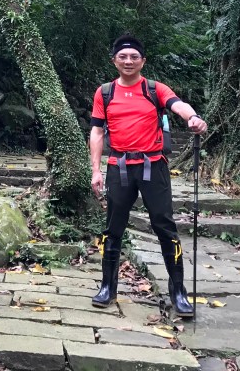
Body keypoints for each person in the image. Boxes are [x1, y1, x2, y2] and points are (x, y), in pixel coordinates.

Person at [88, 34, 206, 318]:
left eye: (134, 57)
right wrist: (95, 170)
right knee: (113, 228)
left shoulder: (155, 89)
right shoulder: (105, 92)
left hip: (153, 165)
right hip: (119, 167)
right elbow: (97, 131)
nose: (128, 61)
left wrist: (191, 118)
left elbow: (178, 104)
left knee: (165, 226)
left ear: (143, 61)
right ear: (114, 61)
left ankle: (178, 292)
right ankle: (107, 286)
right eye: (123, 57)